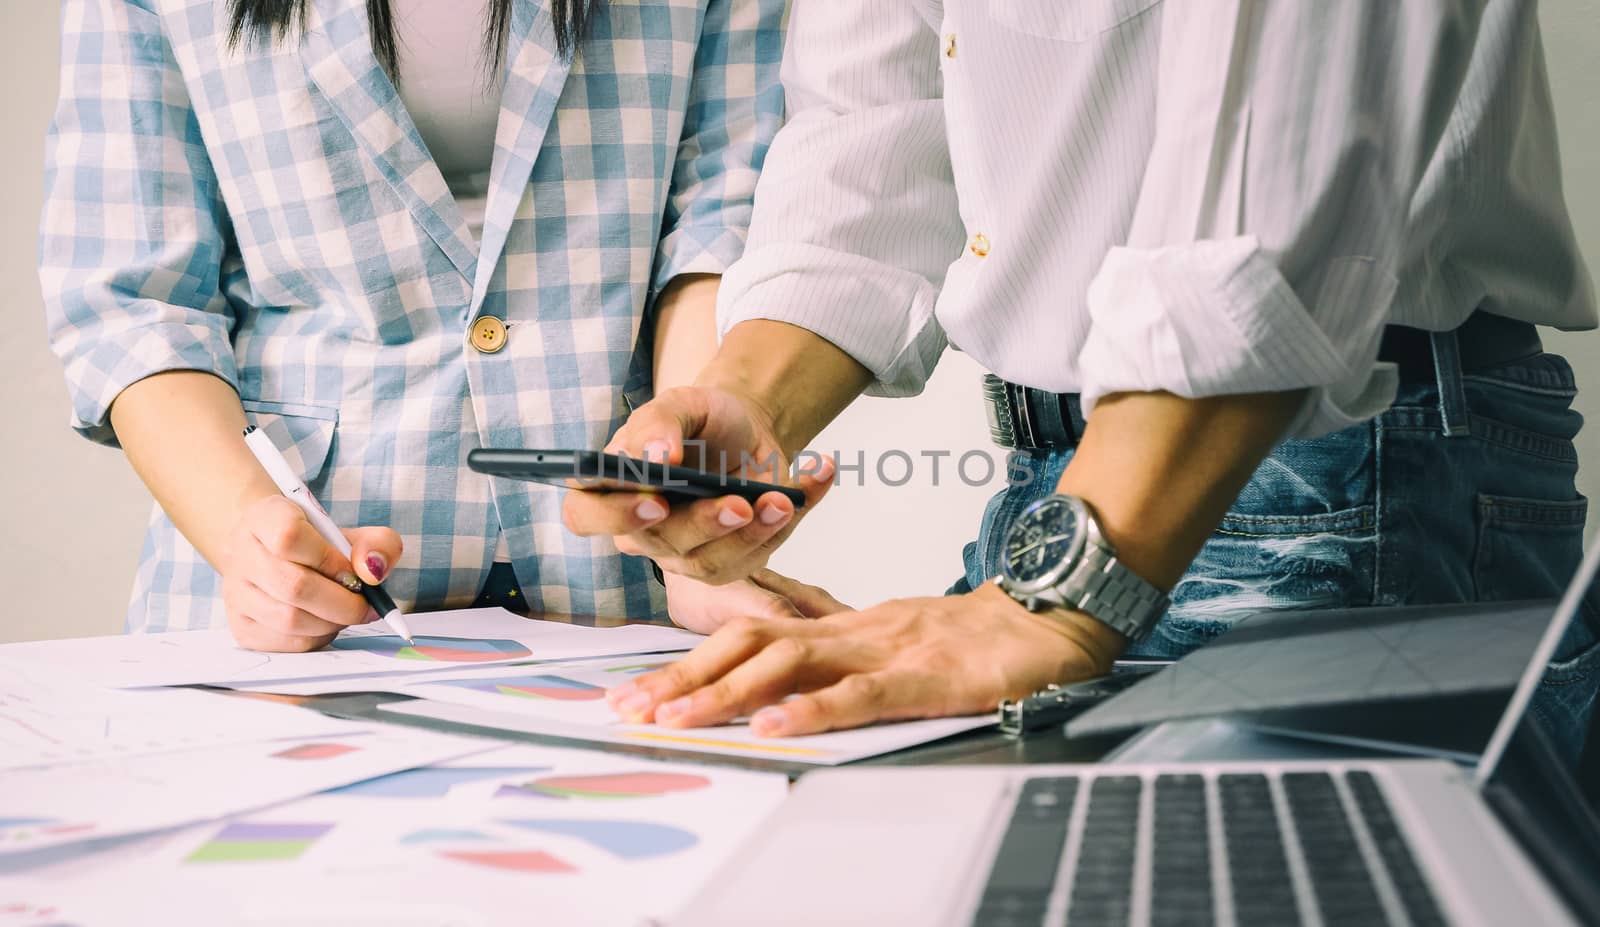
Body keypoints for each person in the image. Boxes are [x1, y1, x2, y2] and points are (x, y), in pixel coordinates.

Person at [565, 1, 1600, 769]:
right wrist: (748, 398)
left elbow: (1275, 167)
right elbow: (877, 130)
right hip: (1063, 491)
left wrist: (1061, 599)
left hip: (1330, 473)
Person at [39, 0, 830, 651]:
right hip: (298, 585)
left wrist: (686, 518)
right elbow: (137, 299)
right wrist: (246, 535)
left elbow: (720, 220)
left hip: (618, 578)